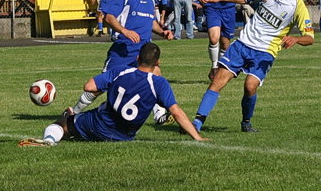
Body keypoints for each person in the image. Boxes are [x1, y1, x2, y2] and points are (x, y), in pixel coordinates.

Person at [191, 0, 314, 133]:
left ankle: (246, 122)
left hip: (265, 52)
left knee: (250, 86)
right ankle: (197, 123)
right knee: (218, 80)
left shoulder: (298, 6)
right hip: (242, 44)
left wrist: (296, 39)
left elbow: (310, 37)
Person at [18, 43, 207, 145]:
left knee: (64, 120)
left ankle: (49, 140)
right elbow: (177, 112)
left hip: (98, 125)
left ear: (137, 58)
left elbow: (89, 86)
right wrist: (197, 137)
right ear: (158, 63)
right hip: (124, 135)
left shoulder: (121, 72)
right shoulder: (158, 83)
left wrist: (107, 84)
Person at [69, 0, 174, 125]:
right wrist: (125, 31)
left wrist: (162, 32)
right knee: (96, 88)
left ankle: (159, 114)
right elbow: (108, 16)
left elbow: (151, 22)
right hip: (122, 52)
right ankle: (73, 112)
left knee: (153, 76)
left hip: (143, 54)